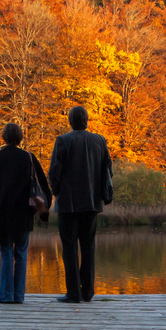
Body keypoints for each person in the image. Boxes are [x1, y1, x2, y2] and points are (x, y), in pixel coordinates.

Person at [47, 105, 114, 303]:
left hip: (68, 204)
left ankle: (74, 293)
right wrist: (102, 194)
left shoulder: (63, 141)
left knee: (69, 248)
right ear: (86, 120)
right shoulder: (99, 141)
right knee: (88, 247)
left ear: (70, 121)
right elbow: (107, 170)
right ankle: (88, 292)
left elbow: (54, 172)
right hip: (92, 203)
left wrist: (56, 191)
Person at [0, 122, 49, 304]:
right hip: (23, 214)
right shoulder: (28, 157)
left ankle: (5, 295)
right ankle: (19, 295)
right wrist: (43, 210)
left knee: (5, 253)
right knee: (21, 253)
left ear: (4, 137)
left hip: (4, 214)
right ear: (20, 137)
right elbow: (43, 184)